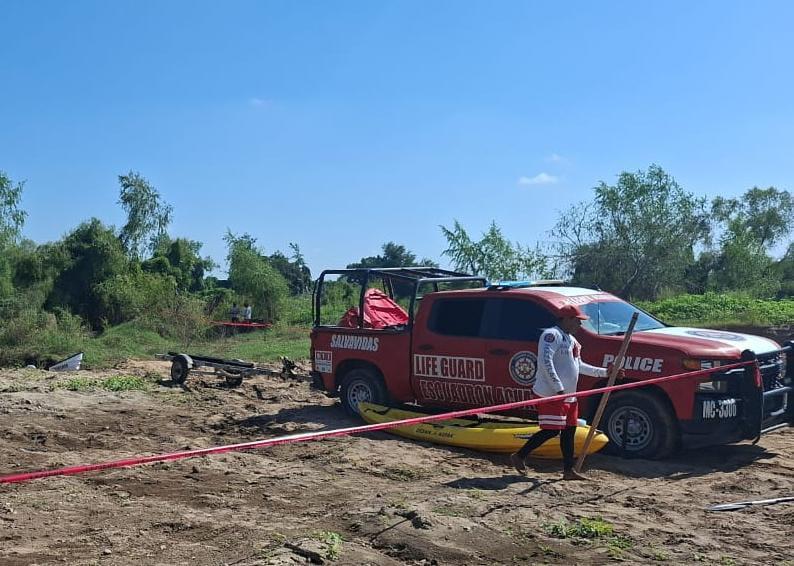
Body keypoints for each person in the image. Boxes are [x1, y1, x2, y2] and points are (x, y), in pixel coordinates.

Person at [510, 304, 625, 481]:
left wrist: (605, 373)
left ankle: (568, 470)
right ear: (567, 319)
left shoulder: (573, 341)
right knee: (551, 430)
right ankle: (519, 455)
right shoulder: (550, 335)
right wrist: (558, 388)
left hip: (569, 395)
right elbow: (545, 362)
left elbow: (579, 365)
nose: (580, 325)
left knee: (569, 431)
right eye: (578, 321)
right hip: (552, 394)